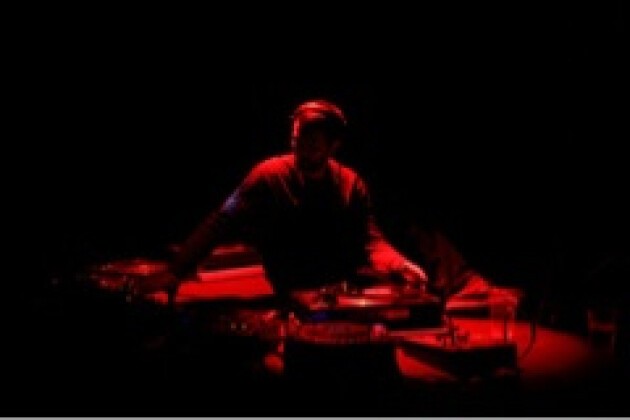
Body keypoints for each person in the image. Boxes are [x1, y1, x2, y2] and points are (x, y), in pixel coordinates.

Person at [134, 99, 499, 304]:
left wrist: (398, 264)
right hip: (294, 283)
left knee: (418, 262)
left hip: (343, 286)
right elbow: (221, 220)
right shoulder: (267, 176)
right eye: (297, 139)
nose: (302, 146)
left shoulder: (351, 183)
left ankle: (470, 289)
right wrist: (176, 270)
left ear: (332, 145)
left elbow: (370, 239)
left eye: (312, 140)